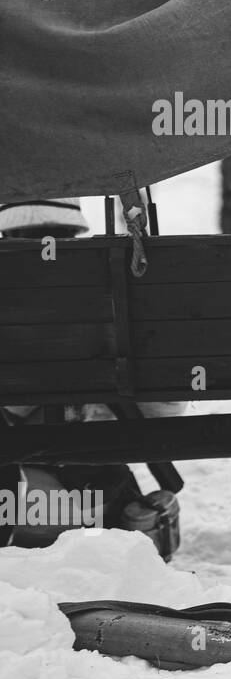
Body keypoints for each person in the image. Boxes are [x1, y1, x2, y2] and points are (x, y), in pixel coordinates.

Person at [0, 198, 184, 556]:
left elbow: (17, 405)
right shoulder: (122, 274)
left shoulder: (13, 286)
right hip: (86, 491)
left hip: (33, 496)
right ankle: (118, 522)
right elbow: (165, 408)